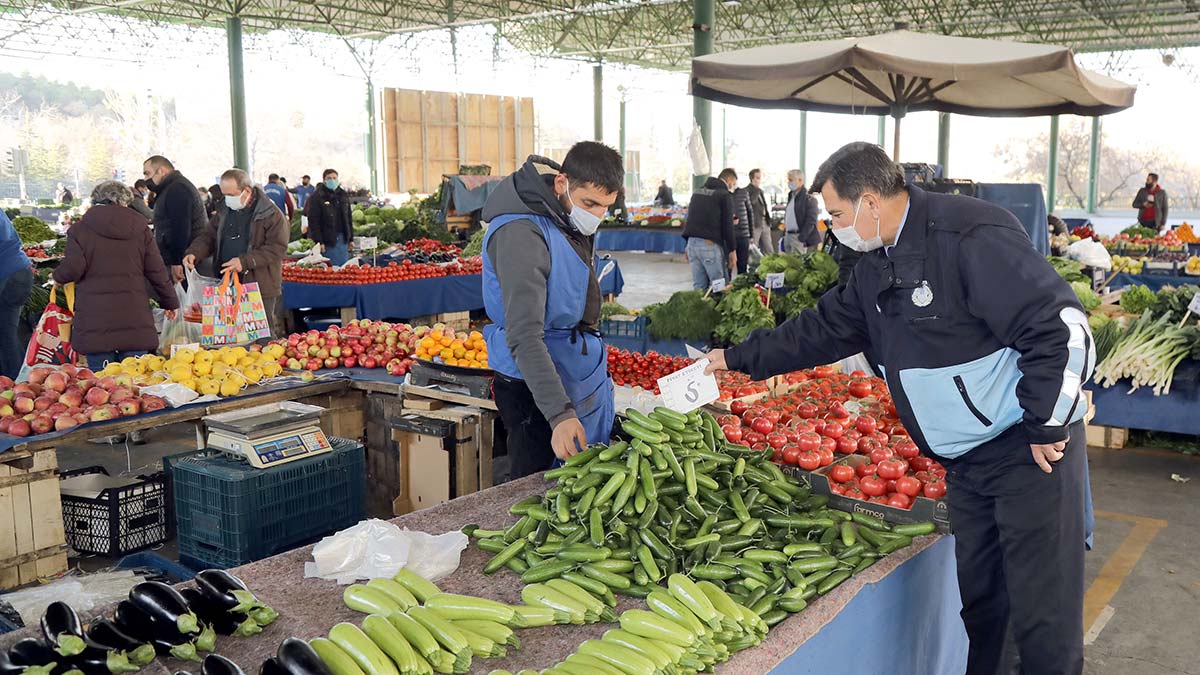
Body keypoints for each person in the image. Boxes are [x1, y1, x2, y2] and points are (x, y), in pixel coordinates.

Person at [703, 142, 1092, 675]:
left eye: (836, 214)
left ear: (870, 201)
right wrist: (736, 358)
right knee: (985, 608)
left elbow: (1061, 327)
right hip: (965, 464)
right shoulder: (875, 265)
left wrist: (1046, 420)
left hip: (1028, 452)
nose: (834, 227)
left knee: (1043, 619)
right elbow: (820, 330)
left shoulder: (970, 235)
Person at [481, 143, 622, 479]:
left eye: (606, 207)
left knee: (574, 485)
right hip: (533, 386)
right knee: (537, 489)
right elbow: (525, 335)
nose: (597, 215)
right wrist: (559, 415)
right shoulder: (521, 233)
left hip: (569, 368)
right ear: (562, 183)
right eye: (590, 203)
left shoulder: (562, 215)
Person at [52, 181, 178, 373]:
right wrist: (170, 301)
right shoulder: (141, 228)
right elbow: (156, 270)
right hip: (134, 318)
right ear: (125, 201)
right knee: (137, 385)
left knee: (102, 387)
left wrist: (58, 276)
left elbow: (73, 268)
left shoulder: (80, 230)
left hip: (96, 322)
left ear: (96, 200)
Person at [183, 169, 290, 339]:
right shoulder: (225, 210)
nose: (227, 199)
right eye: (224, 194)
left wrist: (245, 261)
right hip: (226, 283)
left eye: (231, 194)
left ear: (247, 190)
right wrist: (194, 253)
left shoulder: (271, 214)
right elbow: (209, 236)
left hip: (259, 285)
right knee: (228, 334)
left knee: (258, 336)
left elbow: (277, 248)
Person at [143, 155, 207, 282]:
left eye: (147, 173)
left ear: (161, 171)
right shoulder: (171, 188)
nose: (145, 179)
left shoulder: (177, 189)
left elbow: (180, 228)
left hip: (185, 259)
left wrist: (177, 261)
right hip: (182, 257)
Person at [682, 168, 737, 290]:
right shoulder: (724, 195)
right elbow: (727, 225)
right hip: (709, 245)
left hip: (692, 244)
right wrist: (732, 250)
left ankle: (700, 308)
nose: (732, 187)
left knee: (699, 287)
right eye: (733, 184)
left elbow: (690, 218)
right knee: (720, 287)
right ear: (728, 180)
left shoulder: (697, 192)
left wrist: (687, 245)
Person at [0, 210, 32, 379]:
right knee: (7, 333)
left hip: (6, 274)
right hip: (19, 272)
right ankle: (17, 382)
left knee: (6, 333)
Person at [306, 169, 353, 266]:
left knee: (343, 269)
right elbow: (313, 221)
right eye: (329, 178)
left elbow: (348, 218)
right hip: (327, 240)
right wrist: (319, 241)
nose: (332, 180)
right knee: (330, 270)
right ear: (324, 180)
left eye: (334, 178)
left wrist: (350, 238)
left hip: (342, 239)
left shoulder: (343, 195)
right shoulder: (316, 197)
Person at [783, 170, 821, 253]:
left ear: (800, 180)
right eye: (788, 180)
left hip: (798, 237)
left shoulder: (809, 198)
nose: (789, 183)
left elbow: (811, 220)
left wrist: (802, 237)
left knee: (798, 264)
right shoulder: (791, 196)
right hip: (788, 236)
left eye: (791, 180)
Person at [747, 169, 772, 254]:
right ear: (752, 178)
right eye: (757, 177)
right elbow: (751, 202)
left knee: (768, 247)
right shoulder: (747, 190)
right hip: (755, 223)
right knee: (754, 248)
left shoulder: (760, 191)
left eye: (760, 178)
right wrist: (756, 190)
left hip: (765, 221)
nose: (759, 180)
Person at [731, 180, 753, 275]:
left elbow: (750, 213)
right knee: (728, 265)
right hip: (729, 236)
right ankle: (726, 287)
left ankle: (742, 286)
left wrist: (751, 235)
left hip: (744, 235)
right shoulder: (723, 194)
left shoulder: (744, 193)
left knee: (743, 265)